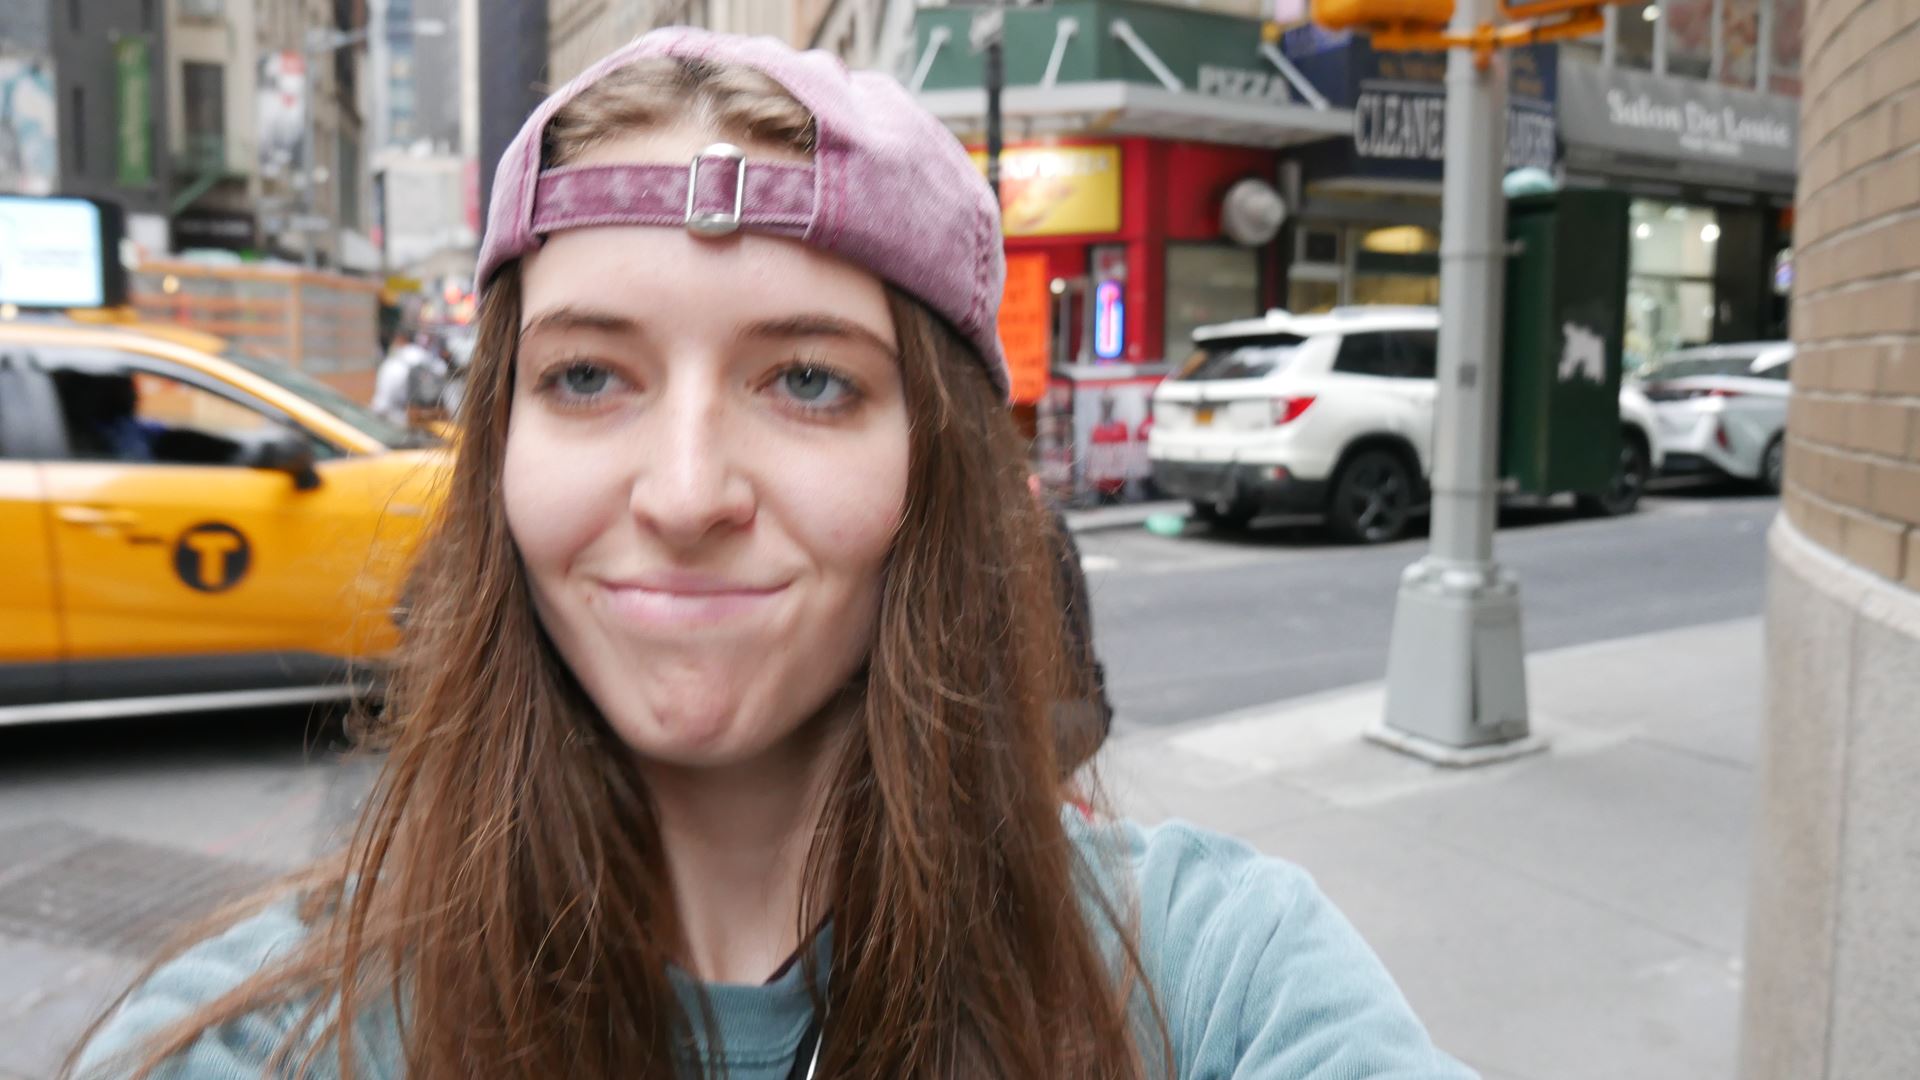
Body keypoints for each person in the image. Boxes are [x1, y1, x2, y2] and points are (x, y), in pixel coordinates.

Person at [69, 30, 1473, 1080]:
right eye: (587, 379)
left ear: (940, 474)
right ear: (496, 448)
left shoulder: (1213, 983)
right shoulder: (266, 1036)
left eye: (807, 381)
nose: (685, 493)